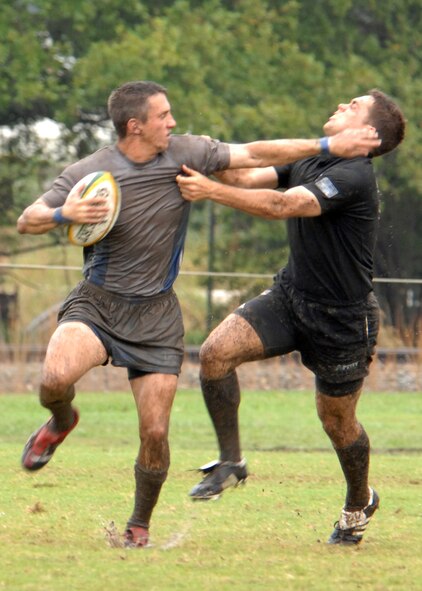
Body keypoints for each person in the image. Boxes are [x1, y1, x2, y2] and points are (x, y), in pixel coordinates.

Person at [17, 80, 381, 549]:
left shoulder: (188, 150)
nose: (173, 122)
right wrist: (66, 213)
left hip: (168, 317)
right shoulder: (92, 171)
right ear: (136, 125)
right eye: (164, 115)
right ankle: (64, 421)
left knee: (157, 431)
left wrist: (215, 180)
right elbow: (28, 219)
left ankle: (138, 526)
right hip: (99, 303)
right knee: (54, 379)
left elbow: (253, 157)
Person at [176, 89, 405, 545]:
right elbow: (247, 178)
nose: (341, 104)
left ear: (368, 133)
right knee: (215, 353)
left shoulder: (355, 176)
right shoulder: (312, 159)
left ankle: (359, 502)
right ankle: (231, 463)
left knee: (337, 423)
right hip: (290, 296)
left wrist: (208, 191)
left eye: (353, 106)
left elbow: (282, 205)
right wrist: (205, 153)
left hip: (343, 320)